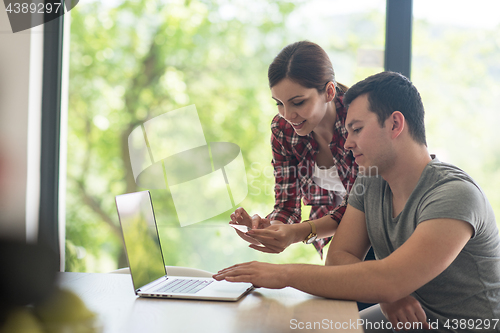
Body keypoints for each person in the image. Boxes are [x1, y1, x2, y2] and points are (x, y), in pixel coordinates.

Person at [215, 71, 500, 332]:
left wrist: (283, 274)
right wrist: (386, 293)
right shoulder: (371, 181)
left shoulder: (453, 194)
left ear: (396, 124)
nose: (348, 143)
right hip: (407, 322)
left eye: (357, 129)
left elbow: (390, 280)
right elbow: (338, 258)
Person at [230, 41, 359, 258]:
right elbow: (287, 205)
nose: (287, 115)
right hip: (340, 225)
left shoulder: (358, 121)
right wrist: (269, 228)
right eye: (279, 103)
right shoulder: (283, 131)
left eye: (298, 102)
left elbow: (360, 205)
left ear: (329, 92)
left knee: (339, 265)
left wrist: (296, 233)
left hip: (386, 219)